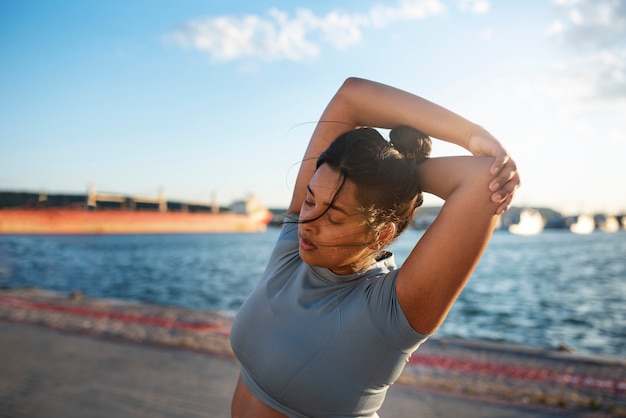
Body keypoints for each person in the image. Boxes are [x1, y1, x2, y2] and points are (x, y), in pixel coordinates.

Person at [230, 77, 520, 418]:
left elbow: (482, 179)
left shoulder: (390, 311)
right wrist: (465, 136)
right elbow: (351, 96)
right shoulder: (293, 248)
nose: (308, 221)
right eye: (309, 199)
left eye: (334, 218)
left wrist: (401, 172)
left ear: (382, 235)